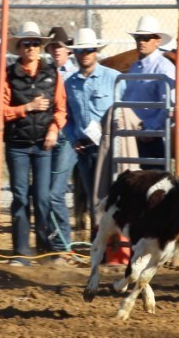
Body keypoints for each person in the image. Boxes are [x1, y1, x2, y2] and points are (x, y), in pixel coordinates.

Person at [1, 21, 66, 266]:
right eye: (26, 44)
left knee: (42, 197)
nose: (31, 48)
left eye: (35, 43)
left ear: (41, 47)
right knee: (20, 196)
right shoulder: (9, 75)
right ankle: (21, 251)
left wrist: (53, 128)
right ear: (19, 48)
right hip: (17, 143)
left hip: (42, 144)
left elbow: (61, 108)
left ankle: (45, 248)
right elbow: (3, 110)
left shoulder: (52, 74)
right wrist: (26, 108)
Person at [64, 28, 122, 217]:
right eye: (80, 51)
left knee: (114, 196)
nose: (85, 54)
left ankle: (115, 243)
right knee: (93, 199)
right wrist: (73, 139)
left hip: (110, 148)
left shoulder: (113, 78)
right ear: (74, 54)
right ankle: (97, 241)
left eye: (89, 50)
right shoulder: (69, 83)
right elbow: (67, 117)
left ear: (96, 52)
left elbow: (123, 111)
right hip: (85, 149)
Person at [121, 16, 175, 169]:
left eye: (146, 38)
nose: (141, 42)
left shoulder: (164, 68)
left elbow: (169, 105)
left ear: (157, 40)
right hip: (133, 135)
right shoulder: (134, 67)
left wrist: (152, 131)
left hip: (153, 137)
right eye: (139, 38)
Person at [44, 26, 76, 257]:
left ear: (68, 50)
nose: (57, 50)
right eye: (53, 46)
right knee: (46, 192)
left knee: (54, 192)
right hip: (48, 137)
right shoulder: (45, 75)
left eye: (61, 46)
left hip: (68, 139)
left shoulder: (74, 75)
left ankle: (63, 244)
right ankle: (54, 240)